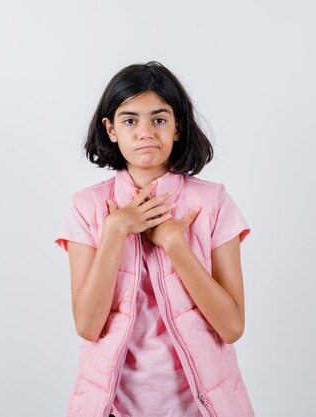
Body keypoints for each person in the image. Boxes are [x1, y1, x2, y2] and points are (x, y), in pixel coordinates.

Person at [54, 61, 254, 417]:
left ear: (178, 127)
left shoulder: (213, 203)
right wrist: (115, 231)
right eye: (130, 120)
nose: (145, 131)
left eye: (159, 119)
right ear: (111, 129)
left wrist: (177, 245)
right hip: (111, 408)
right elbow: (87, 326)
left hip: (201, 408)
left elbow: (232, 326)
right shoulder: (86, 208)